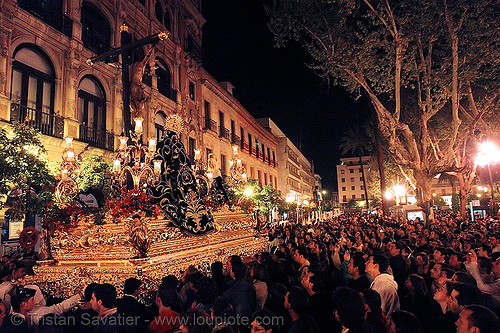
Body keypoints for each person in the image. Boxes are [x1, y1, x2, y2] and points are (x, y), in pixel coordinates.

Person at [129, 45, 154, 119]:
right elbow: (147, 57)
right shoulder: (141, 65)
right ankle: (136, 122)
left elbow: (120, 65)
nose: (146, 72)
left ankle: (134, 123)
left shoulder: (131, 66)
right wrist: (150, 50)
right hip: (136, 86)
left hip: (134, 85)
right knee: (138, 107)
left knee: (135, 107)